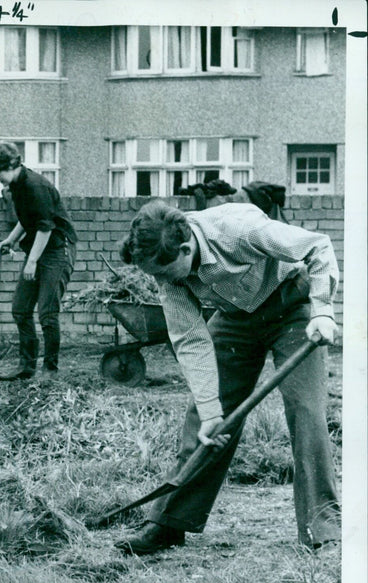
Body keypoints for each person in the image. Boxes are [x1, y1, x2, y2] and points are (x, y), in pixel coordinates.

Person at [114, 199, 341, 555]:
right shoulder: (168, 274)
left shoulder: (238, 230)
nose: (164, 282)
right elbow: (190, 339)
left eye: (167, 272)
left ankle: (323, 530)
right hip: (235, 318)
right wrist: (210, 410)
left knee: (306, 410)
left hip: (292, 307)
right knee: (202, 421)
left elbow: (317, 245)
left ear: (186, 247)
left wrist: (323, 310)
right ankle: (169, 523)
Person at [0, 141, 77, 380]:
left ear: (12, 164)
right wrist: (10, 241)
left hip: (56, 250)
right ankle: (27, 367)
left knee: (47, 312)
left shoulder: (35, 186)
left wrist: (31, 261)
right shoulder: (17, 186)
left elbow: (45, 227)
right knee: (21, 309)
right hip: (39, 248)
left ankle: (50, 370)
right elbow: (26, 219)